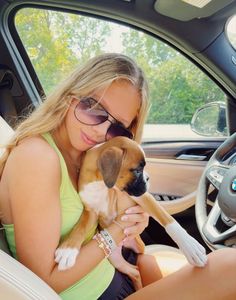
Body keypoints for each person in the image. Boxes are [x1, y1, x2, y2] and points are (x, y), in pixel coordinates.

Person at [0, 53, 235, 300]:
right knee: (230, 268)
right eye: (93, 108)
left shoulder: (87, 155)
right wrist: (118, 230)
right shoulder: (37, 157)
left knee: (162, 263)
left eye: (118, 127)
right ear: (70, 97)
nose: (101, 130)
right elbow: (44, 282)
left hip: (113, 272)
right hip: (96, 294)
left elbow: (119, 203)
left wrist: (133, 220)